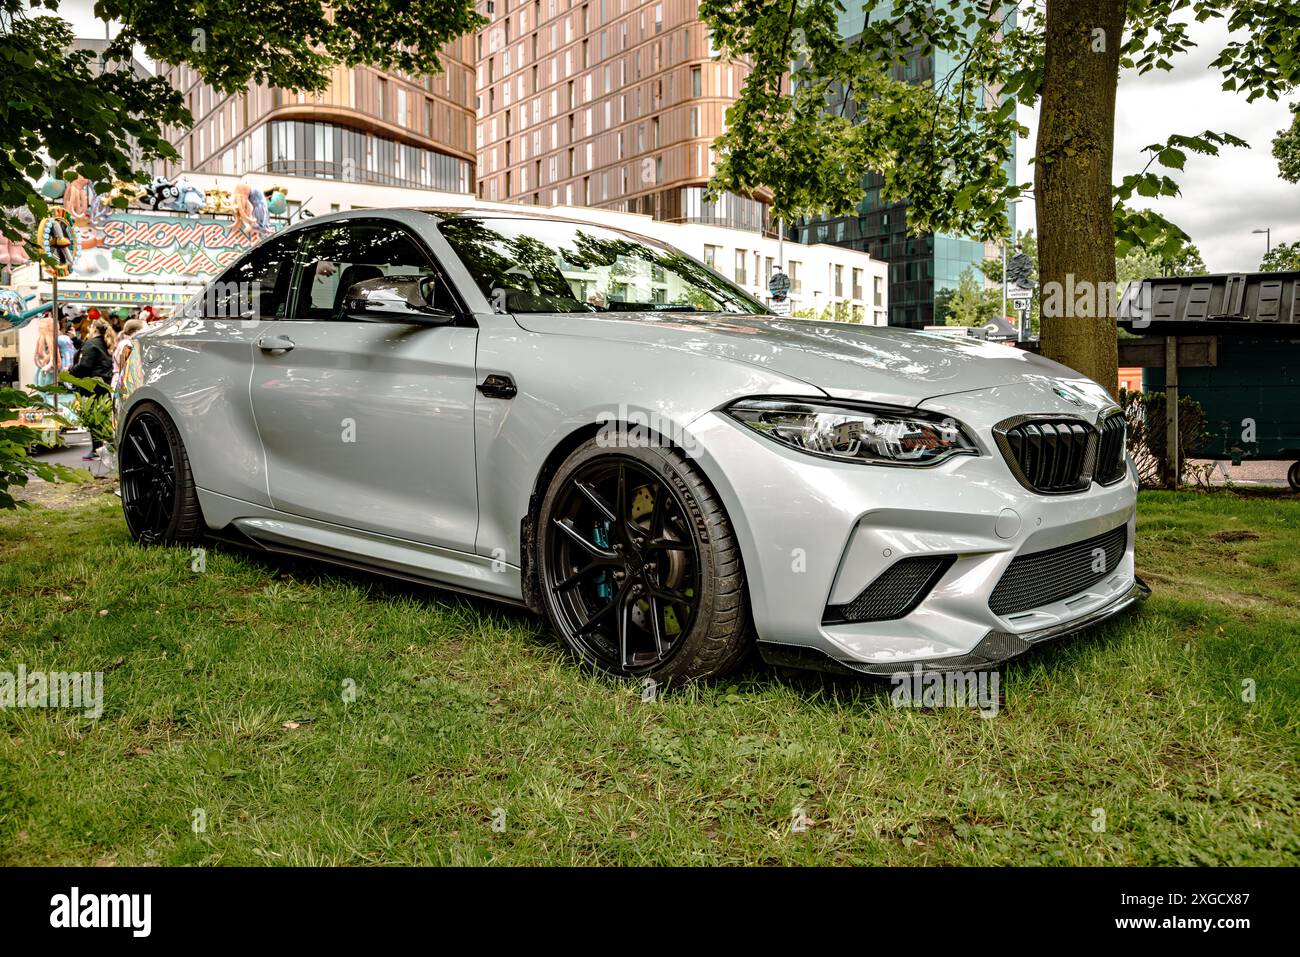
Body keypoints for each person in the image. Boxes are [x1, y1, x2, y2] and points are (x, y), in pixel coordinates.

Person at [68, 318, 114, 460]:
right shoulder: (105, 343)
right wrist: (75, 340)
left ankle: (96, 450)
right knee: (104, 417)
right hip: (105, 385)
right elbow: (91, 352)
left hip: (92, 387)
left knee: (93, 418)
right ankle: (109, 446)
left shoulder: (91, 344)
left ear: (93, 329)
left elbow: (84, 366)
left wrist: (70, 371)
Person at [112, 318, 145, 392]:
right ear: (136, 331)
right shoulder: (127, 344)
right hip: (124, 385)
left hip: (124, 383)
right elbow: (124, 368)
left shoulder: (128, 343)